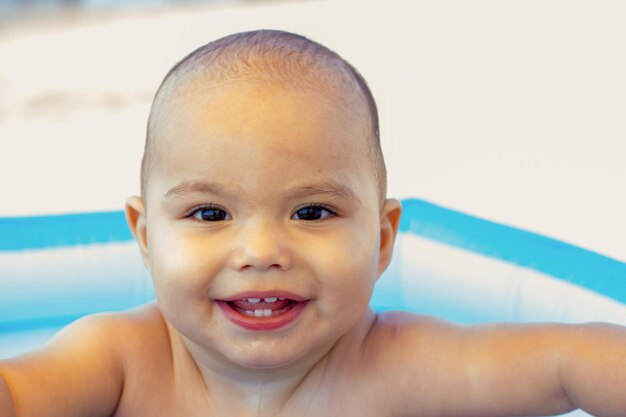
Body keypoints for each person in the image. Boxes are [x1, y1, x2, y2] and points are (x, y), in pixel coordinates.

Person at [1, 29, 625, 417]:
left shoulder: (402, 369)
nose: (261, 250)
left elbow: (571, 360)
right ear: (145, 237)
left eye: (312, 211)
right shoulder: (121, 363)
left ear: (382, 240)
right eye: (210, 213)